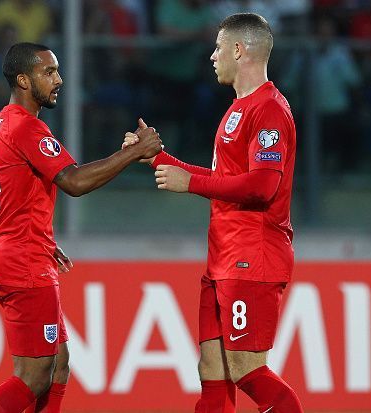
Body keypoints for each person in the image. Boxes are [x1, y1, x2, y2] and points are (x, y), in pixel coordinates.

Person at [124, 13, 302, 413]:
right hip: (222, 257)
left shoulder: (270, 109)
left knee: (247, 370)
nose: (212, 56)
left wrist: (191, 184)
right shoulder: (239, 109)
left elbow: (262, 186)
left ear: (239, 51)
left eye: (219, 47)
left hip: (252, 257)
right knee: (212, 370)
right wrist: (158, 158)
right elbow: (226, 177)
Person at [0, 42, 162, 413]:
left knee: (58, 363)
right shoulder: (27, 128)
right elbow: (73, 182)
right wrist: (134, 152)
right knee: (35, 374)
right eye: (49, 72)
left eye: (57, 70)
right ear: (23, 80)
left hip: (12, 253)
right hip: (23, 261)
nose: (59, 79)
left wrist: (26, 229)